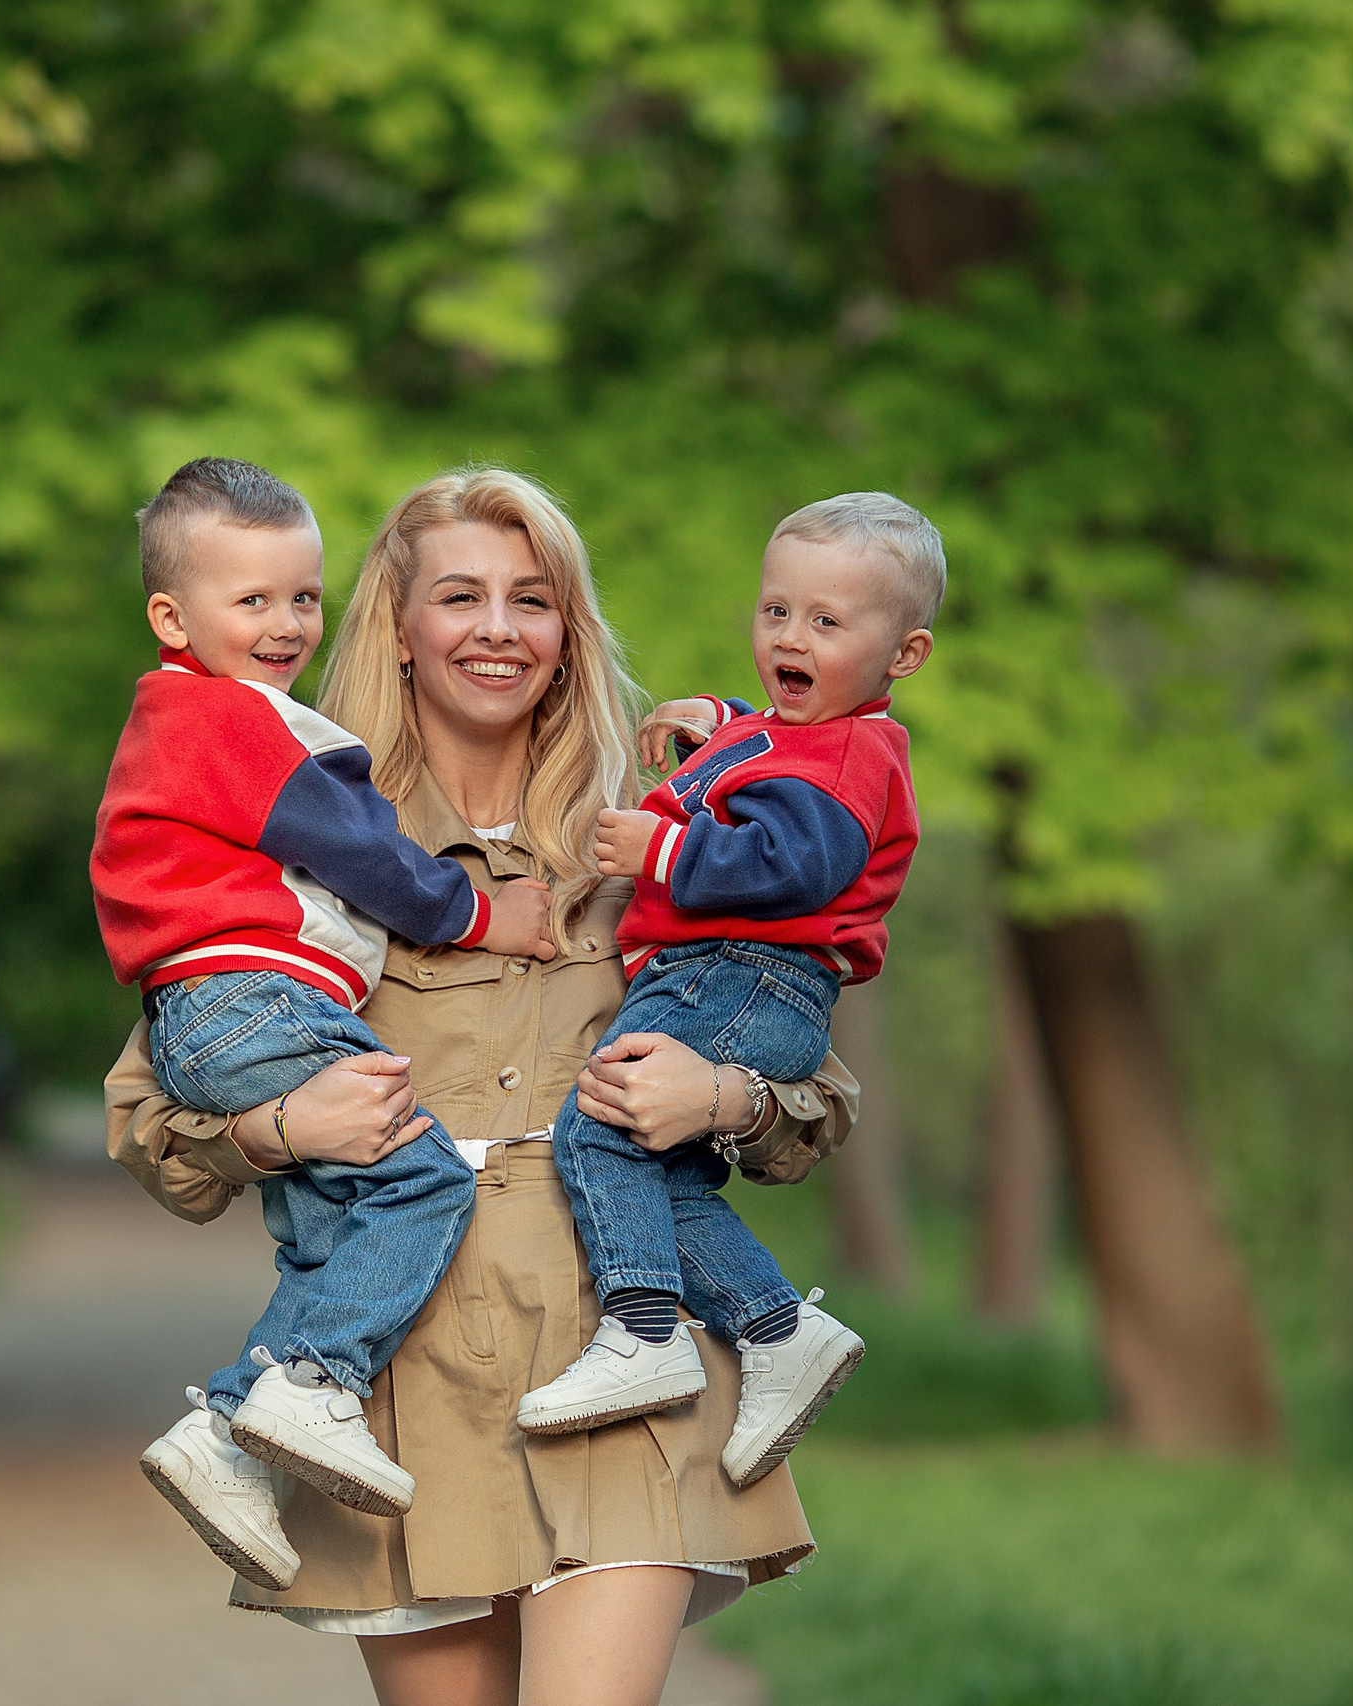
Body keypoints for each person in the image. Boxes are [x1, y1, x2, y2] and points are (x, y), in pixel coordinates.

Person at [107, 466, 861, 1706]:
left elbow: (810, 1094)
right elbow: (152, 1121)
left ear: (569, 634)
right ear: (398, 627)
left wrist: (718, 1099)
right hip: (397, 1383)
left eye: (534, 599)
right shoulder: (296, 829)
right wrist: (284, 1124)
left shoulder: (661, 838)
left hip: (626, 1358)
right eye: (461, 596)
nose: (499, 630)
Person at [92, 457, 558, 1590]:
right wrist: (480, 913)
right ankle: (298, 1390)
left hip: (217, 998)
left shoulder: (188, 717)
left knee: (320, 1236)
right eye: (251, 600)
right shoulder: (249, 725)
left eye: (302, 596)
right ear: (172, 615)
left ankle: (232, 1433)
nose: (287, 622)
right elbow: (364, 856)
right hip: (250, 994)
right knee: (422, 1175)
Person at [518, 493, 940, 1494]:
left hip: (744, 972)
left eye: (827, 623)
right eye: (775, 612)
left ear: (904, 653)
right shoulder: (810, 733)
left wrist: (665, 845)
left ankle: (643, 1331)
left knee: (597, 1123)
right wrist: (720, 724)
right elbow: (771, 759)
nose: (789, 637)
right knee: (655, 1173)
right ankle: (775, 1328)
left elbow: (796, 862)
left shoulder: (848, 757)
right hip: (734, 977)